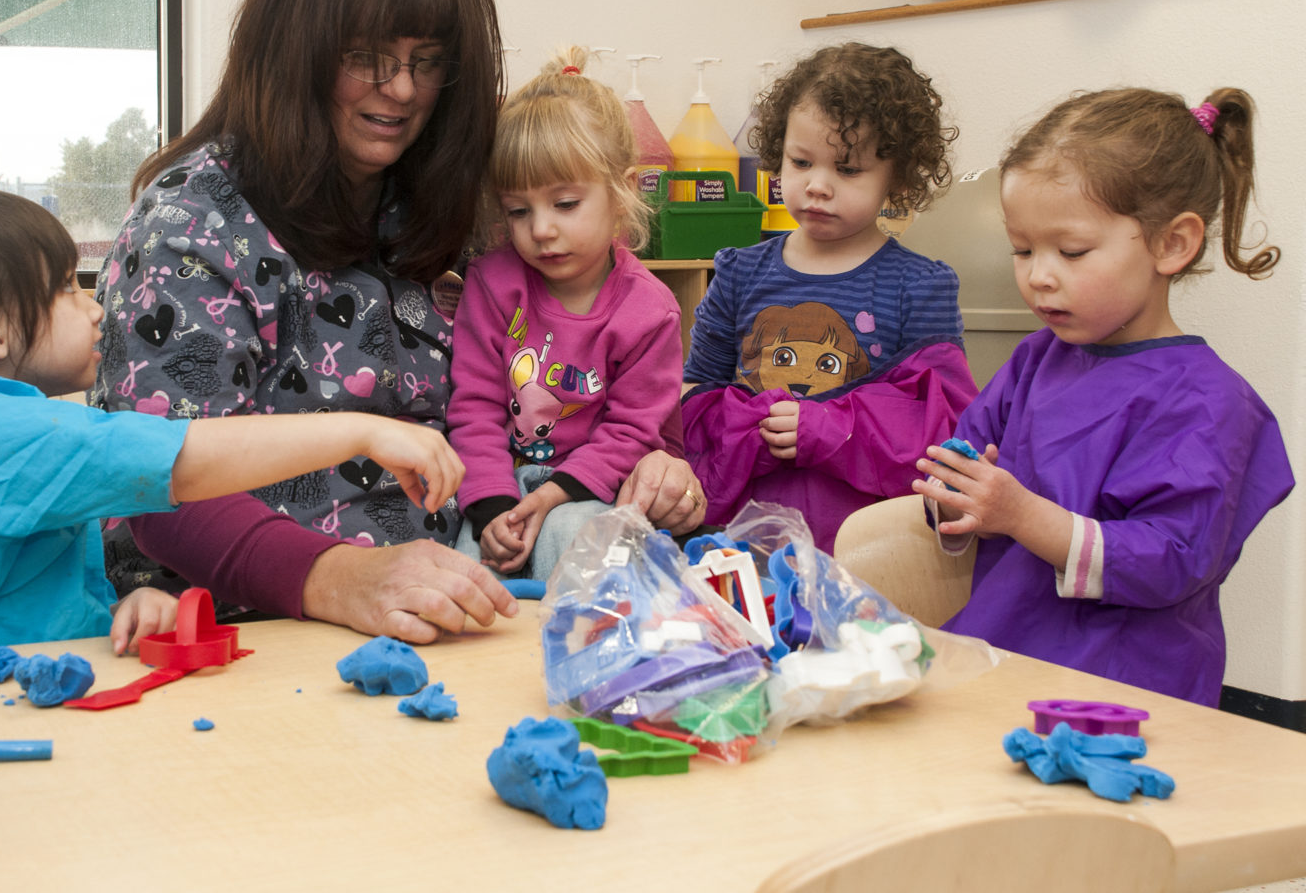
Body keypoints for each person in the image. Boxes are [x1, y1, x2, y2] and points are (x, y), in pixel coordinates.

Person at [91, 0, 705, 643]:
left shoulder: (446, 213)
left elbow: (577, 391)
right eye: (367, 59)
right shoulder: (192, 226)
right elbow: (156, 486)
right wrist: (342, 577)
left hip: (464, 596)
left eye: (427, 62)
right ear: (295, 52)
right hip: (248, 627)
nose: (403, 89)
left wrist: (663, 465)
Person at [0, 185, 464, 653]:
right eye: (61, 289)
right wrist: (364, 429)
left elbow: (17, 592)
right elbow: (185, 457)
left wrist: (123, 605)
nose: (93, 306)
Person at [915, 87, 1294, 706]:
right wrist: (955, 499)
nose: (1038, 274)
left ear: (1172, 244)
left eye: (1071, 252)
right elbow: (964, 468)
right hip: (1005, 658)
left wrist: (1020, 514)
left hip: (1125, 690)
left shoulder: (1207, 401)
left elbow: (1171, 560)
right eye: (1022, 249)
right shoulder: (1036, 359)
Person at [681, 42, 977, 551]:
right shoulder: (738, 272)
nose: (816, 185)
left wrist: (829, 427)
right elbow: (693, 398)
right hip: (743, 534)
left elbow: (942, 424)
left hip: (866, 547)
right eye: (800, 162)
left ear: (898, 179)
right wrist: (751, 426)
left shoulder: (919, 286)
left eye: (847, 170)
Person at [448, 47, 683, 579]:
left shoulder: (650, 311)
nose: (542, 229)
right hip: (500, 484)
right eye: (518, 210)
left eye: (565, 204)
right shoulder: (492, 283)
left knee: (566, 539)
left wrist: (551, 498)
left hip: (589, 491)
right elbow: (474, 408)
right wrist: (490, 505)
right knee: (466, 566)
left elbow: (633, 434)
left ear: (622, 193)